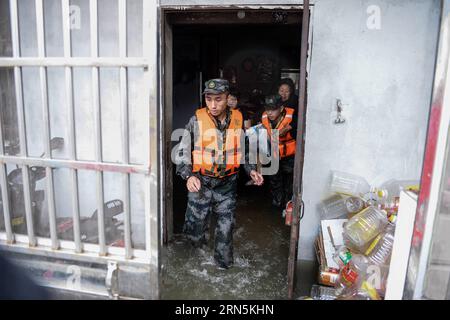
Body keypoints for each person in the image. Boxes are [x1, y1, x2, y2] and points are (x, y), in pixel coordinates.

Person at [176, 78, 264, 270]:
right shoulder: (196, 121)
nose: (213, 105)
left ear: (227, 98)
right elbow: (182, 151)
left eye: (218, 99)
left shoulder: (238, 119)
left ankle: (223, 268)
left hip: (227, 185)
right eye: (209, 99)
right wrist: (188, 175)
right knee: (194, 234)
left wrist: (252, 170)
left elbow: (243, 149)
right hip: (201, 183)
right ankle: (193, 271)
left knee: (225, 232)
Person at [261, 94, 297, 209]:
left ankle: (287, 206)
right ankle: (276, 205)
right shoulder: (264, 117)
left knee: (289, 183)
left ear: (281, 109)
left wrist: (289, 127)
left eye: (273, 109)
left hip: (289, 156)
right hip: (273, 154)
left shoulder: (292, 116)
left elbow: (304, 122)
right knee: (274, 180)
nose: (269, 113)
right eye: (267, 109)